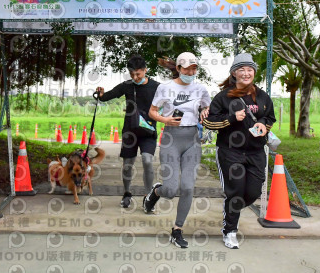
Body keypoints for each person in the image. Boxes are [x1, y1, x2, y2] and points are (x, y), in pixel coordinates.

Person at [202, 52, 276, 249]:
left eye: (250, 69)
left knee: (253, 191)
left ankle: (231, 209)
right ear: (234, 73)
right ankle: (230, 231)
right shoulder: (223, 97)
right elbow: (209, 122)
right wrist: (232, 118)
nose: (246, 73)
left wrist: (263, 124)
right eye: (241, 69)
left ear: (254, 73)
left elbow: (270, 117)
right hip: (230, 152)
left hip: (255, 151)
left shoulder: (262, 96)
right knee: (235, 191)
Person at [143, 52, 211, 248]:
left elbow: (207, 108)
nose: (190, 72)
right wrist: (165, 119)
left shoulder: (201, 89)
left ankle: (177, 230)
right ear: (179, 69)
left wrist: (205, 112)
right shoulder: (165, 87)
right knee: (171, 190)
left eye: (194, 69)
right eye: (187, 69)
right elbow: (152, 112)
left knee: (188, 187)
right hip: (171, 139)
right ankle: (156, 192)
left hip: (192, 140)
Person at [96, 55, 160, 208]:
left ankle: (148, 196)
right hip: (130, 131)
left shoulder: (157, 86)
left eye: (138, 74)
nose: (135, 77)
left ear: (145, 70)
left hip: (148, 131)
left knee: (147, 160)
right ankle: (127, 193)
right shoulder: (127, 85)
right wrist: (101, 94)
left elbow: (170, 100)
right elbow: (107, 96)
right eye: (132, 74)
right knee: (127, 165)